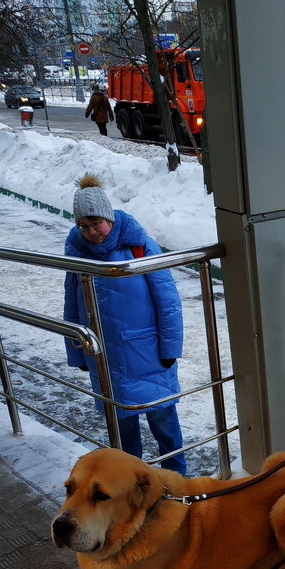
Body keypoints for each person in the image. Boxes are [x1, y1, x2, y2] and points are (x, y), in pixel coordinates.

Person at [62, 174, 186, 474]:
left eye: (97, 223)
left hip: (147, 352)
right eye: (85, 226)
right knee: (121, 426)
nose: (92, 232)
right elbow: (72, 305)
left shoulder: (139, 246)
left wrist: (170, 347)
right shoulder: (78, 253)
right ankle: (130, 479)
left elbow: (168, 302)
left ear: (109, 218)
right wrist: (78, 350)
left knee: (163, 420)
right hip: (103, 354)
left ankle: (175, 476)